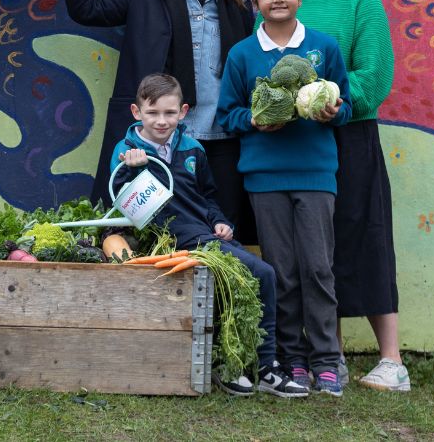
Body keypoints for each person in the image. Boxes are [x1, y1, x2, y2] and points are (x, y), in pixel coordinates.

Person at [112, 73, 308, 398]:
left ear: (184, 111)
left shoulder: (193, 150)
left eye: (170, 113)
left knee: (259, 275)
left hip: (206, 236)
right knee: (262, 272)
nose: (161, 121)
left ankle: (262, 366)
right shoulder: (128, 150)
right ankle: (238, 365)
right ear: (136, 112)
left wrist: (220, 222)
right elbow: (121, 200)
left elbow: (208, 197)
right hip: (172, 241)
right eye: (153, 113)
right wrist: (131, 167)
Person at [63, 0, 257, 243]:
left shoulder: (237, 7)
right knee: (149, 235)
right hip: (160, 141)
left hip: (223, 137)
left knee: (223, 233)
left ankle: (220, 296)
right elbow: (85, 8)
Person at [284, 0, 408, 392]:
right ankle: (328, 355)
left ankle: (392, 361)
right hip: (294, 142)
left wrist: (331, 100)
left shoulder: (362, 0)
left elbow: (375, 77)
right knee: (315, 246)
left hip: (348, 135)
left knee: (364, 237)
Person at [217, 0, 352, 396]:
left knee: (318, 268)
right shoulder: (242, 54)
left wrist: (333, 111)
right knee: (283, 273)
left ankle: (328, 360)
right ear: (254, 2)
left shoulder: (323, 47)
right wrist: (256, 121)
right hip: (264, 176)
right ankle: (291, 359)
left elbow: (345, 106)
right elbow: (228, 115)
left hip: (315, 173)